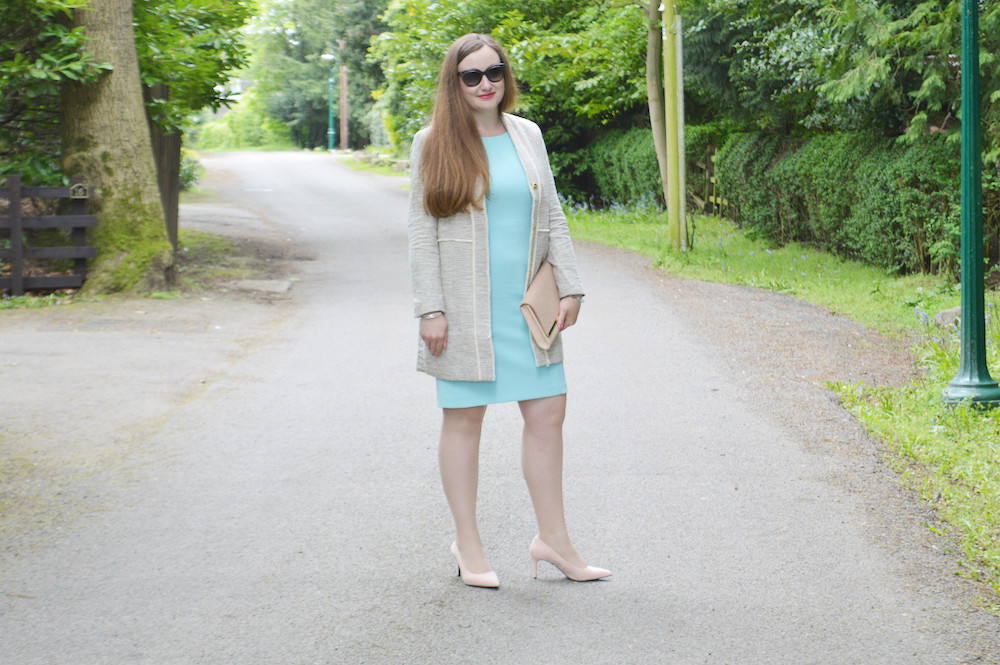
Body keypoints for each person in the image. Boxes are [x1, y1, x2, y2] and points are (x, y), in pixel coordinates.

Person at [407, 33, 610, 588]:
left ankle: (555, 541)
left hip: (527, 304)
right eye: (471, 76)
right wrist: (430, 310)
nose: (485, 83)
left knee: (548, 412)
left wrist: (570, 286)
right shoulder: (433, 143)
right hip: (464, 308)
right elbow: (422, 234)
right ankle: (467, 544)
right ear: (454, 84)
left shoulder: (527, 135)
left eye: (493, 71)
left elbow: (555, 213)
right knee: (464, 418)